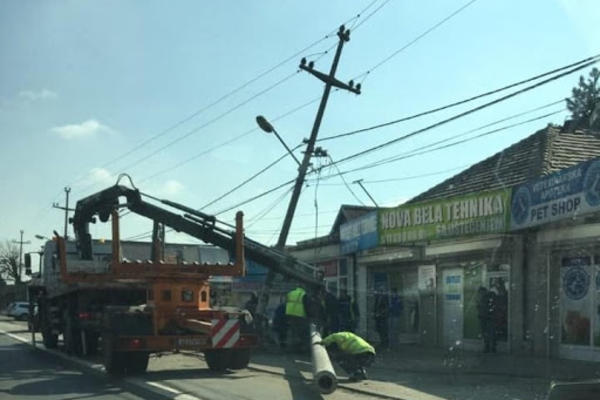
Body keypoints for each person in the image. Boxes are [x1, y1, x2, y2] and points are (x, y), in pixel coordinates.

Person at [285, 286, 309, 352]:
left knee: (292, 330)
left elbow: (286, 302)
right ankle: (299, 347)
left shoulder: (290, 293)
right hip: (299, 315)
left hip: (290, 314)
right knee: (301, 331)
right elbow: (306, 305)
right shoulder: (304, 294)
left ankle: (291, 346)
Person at [477, 286, 497, 353]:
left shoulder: (489, 297)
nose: (480, 294)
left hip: (489, 318)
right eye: (480, 293)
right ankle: (488, 346)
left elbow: (492, 307)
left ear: (484, 291)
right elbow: (479, 307)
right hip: (483, 318)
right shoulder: (481, 298)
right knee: (486, 333)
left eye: (481, 292)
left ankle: (492, 347)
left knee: (490, 332)